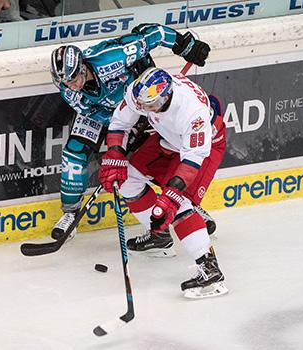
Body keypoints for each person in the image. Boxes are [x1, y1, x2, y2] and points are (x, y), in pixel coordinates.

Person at [50, 23, 212, 244]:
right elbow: (92, 112)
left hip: (143, 103)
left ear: (82, 68)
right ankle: (70, 213)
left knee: (149, 158)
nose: (70, 85)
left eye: (73, 78)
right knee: (74, 154)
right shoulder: (67, 89)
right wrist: (124, 131)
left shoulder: (111, 57)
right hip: (108, 114)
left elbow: (150, 34)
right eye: (64, 81)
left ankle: (185, 205)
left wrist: (183, 45)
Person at [98, 67, 228, 297]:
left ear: (166, 96)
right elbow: (120, 122)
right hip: (169, 139)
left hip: (201, 149)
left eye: (150, 106)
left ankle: (209, 270)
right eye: (142, 105)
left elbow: (192, 159)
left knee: (177, 204)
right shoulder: (141, 92)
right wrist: (116, 154)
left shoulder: (192, 113)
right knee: (128, 179)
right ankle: (159, 235)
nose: (143, 110)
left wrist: (171, 195)